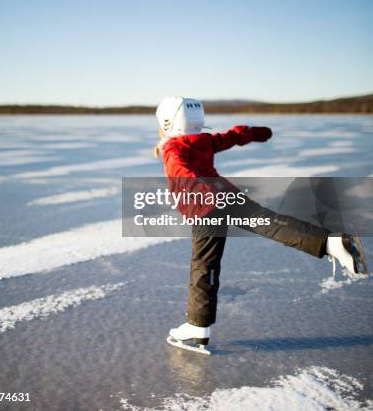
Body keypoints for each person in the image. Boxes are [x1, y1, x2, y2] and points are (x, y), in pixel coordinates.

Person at [154, 96, 368, 354]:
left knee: (204, 265)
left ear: (168, 124)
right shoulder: (203, 140)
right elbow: (229, 137)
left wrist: (197, 186)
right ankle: (330, 242)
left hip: (205, 208)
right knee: (271, 223)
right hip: (227, 194)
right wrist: (252, 133)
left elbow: (181, 171)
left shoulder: (172, 149)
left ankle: (197, 326)